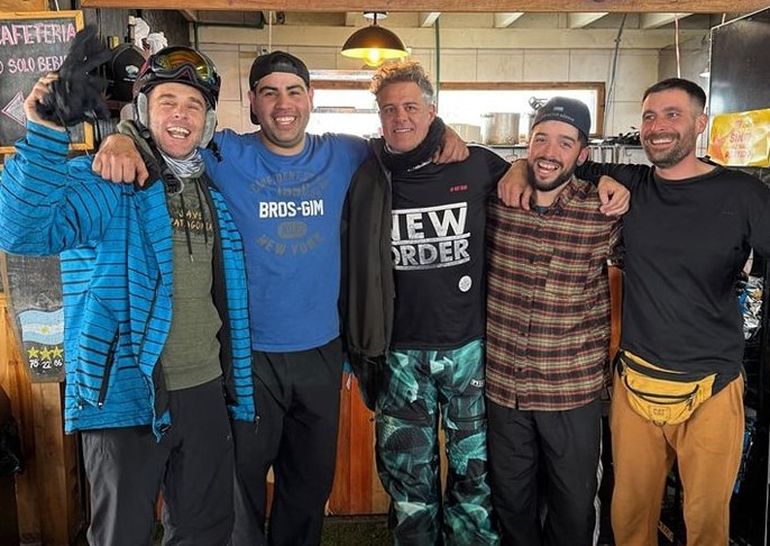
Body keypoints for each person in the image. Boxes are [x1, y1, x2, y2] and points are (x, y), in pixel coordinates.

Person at [92, 50, 468, 546]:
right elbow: (162, 135)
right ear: (251, 103)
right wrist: (118, 135)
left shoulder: (348, 152)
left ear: (311, 100)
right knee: (240, 492)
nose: (282, 104)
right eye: (268, 92)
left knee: (307, 490)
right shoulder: (222, 154)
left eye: (293, 91)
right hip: (249, 359)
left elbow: (406, 140)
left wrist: (446, 133)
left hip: (322, 353)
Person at [0, 46, 255, 545]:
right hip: (122, 395)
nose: (181, 114)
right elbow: (21, 230)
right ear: (142, 111)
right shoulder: (107, 177)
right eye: (167, 101)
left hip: (204, 390)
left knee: (206, 530)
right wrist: (49, 133)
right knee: (122, 535)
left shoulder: (212, 195)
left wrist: (233, 387)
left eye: (193, 104)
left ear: (205, 122)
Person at [499, 78, 770, 546]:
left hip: (712, 384)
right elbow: (561, 161)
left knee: (706, 524)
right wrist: (516, 170)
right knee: (629, 519)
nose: (658, 127)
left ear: (700, 123)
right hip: (635, 384)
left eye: (672, 115)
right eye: (649, 116)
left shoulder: (742, 194)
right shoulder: (631, 185)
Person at [343, 60, 514, 545]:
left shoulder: (476, 163)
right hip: (398, 355)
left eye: (412, 107)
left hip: (469, 351)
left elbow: (529, 177)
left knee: (475, 478)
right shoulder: (365, 169)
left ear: (432, 110)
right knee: (407, 483)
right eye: (389, 109)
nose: (401, 117)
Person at [485, 97, 619, 546]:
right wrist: (509, 169)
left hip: (570, 391)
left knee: (574, 507)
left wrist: (621, 184)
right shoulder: (496, 199)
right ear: (526, 144)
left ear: (582, 154)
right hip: (504, 389)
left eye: (565, 142)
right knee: (511, 503)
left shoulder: (603, 211)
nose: (549, 151)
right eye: (541, 138)